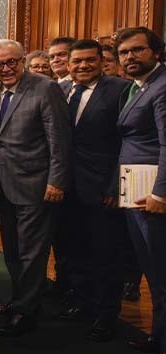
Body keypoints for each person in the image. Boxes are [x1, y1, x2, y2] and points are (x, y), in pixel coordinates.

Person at [0, 39, 70, 336]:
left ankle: (26, 312)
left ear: (23, 60)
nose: (6, 68)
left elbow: (59, 140)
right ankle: (21, 298)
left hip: (36, 185)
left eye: (12, 62)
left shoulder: (45, 87)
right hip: (2, 187)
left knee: (32, 253)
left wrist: (56, 181)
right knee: (11, 250)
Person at [51, 39, 129, 342]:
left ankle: (107, 314)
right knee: (74, 250)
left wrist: (114, 186)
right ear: (68, 64)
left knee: (106, 254)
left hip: (101, 188)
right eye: (77, 61)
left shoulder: (119, 90)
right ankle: (82, 304)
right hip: (66, 187)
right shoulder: (61, 90)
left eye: (89, 60)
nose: (83, 66)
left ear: (101, 61)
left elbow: (127, 142)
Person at [113, 27, 166, 353]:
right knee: (152, 271)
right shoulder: (138, 87)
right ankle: (157, 337)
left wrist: (161, 194)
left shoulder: (161, 88)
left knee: (160, 273)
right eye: (123, 53)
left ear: (156, 51)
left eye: (137, 50)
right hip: (135, 189)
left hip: (153, 196)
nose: (130, 57)